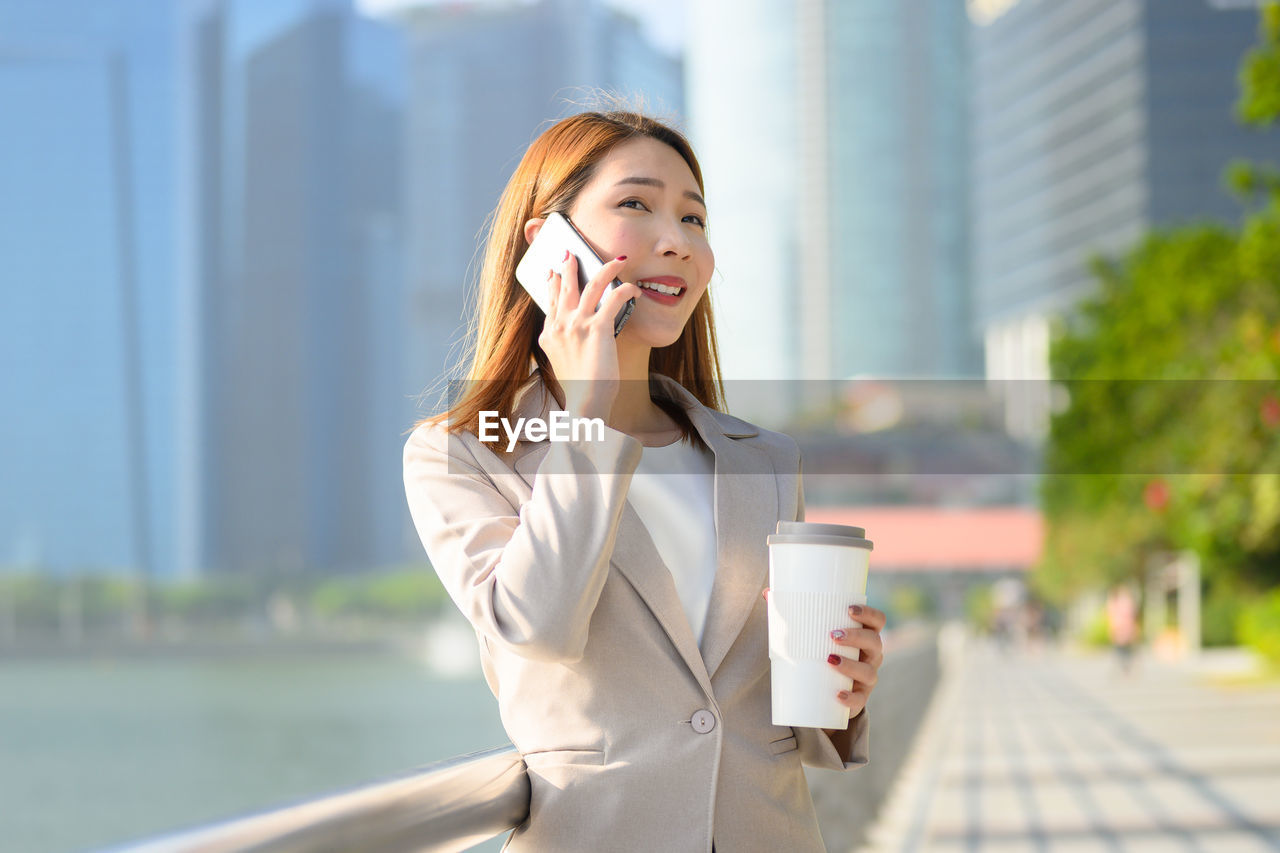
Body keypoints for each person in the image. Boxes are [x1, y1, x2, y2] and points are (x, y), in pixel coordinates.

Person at [403, 107, 885, 852]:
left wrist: (844, 693)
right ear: (548, 245)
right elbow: (538, 627)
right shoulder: (460, 452)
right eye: (637, 204)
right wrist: (586, 415)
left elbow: (785, 720)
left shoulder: (763, 458)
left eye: (694, 218)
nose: (677, 241)